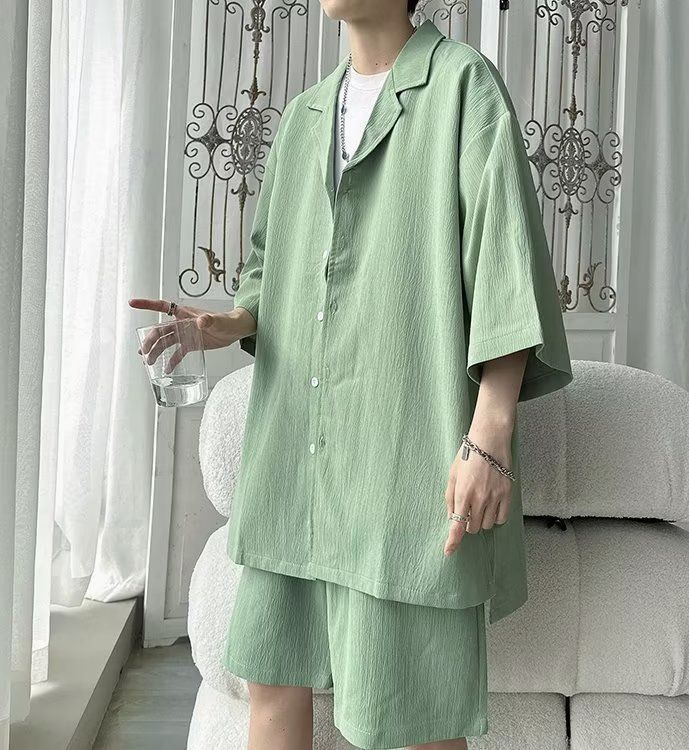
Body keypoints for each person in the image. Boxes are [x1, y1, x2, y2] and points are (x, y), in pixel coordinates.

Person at [131, 2, 573, 748]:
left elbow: (505, 267)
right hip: (294, 461)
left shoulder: (463, 86)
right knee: (272, 680)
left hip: (405, 462)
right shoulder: (305, 115)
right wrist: (227, 323)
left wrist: (489, 436)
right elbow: (271, 268)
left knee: (411, 710)